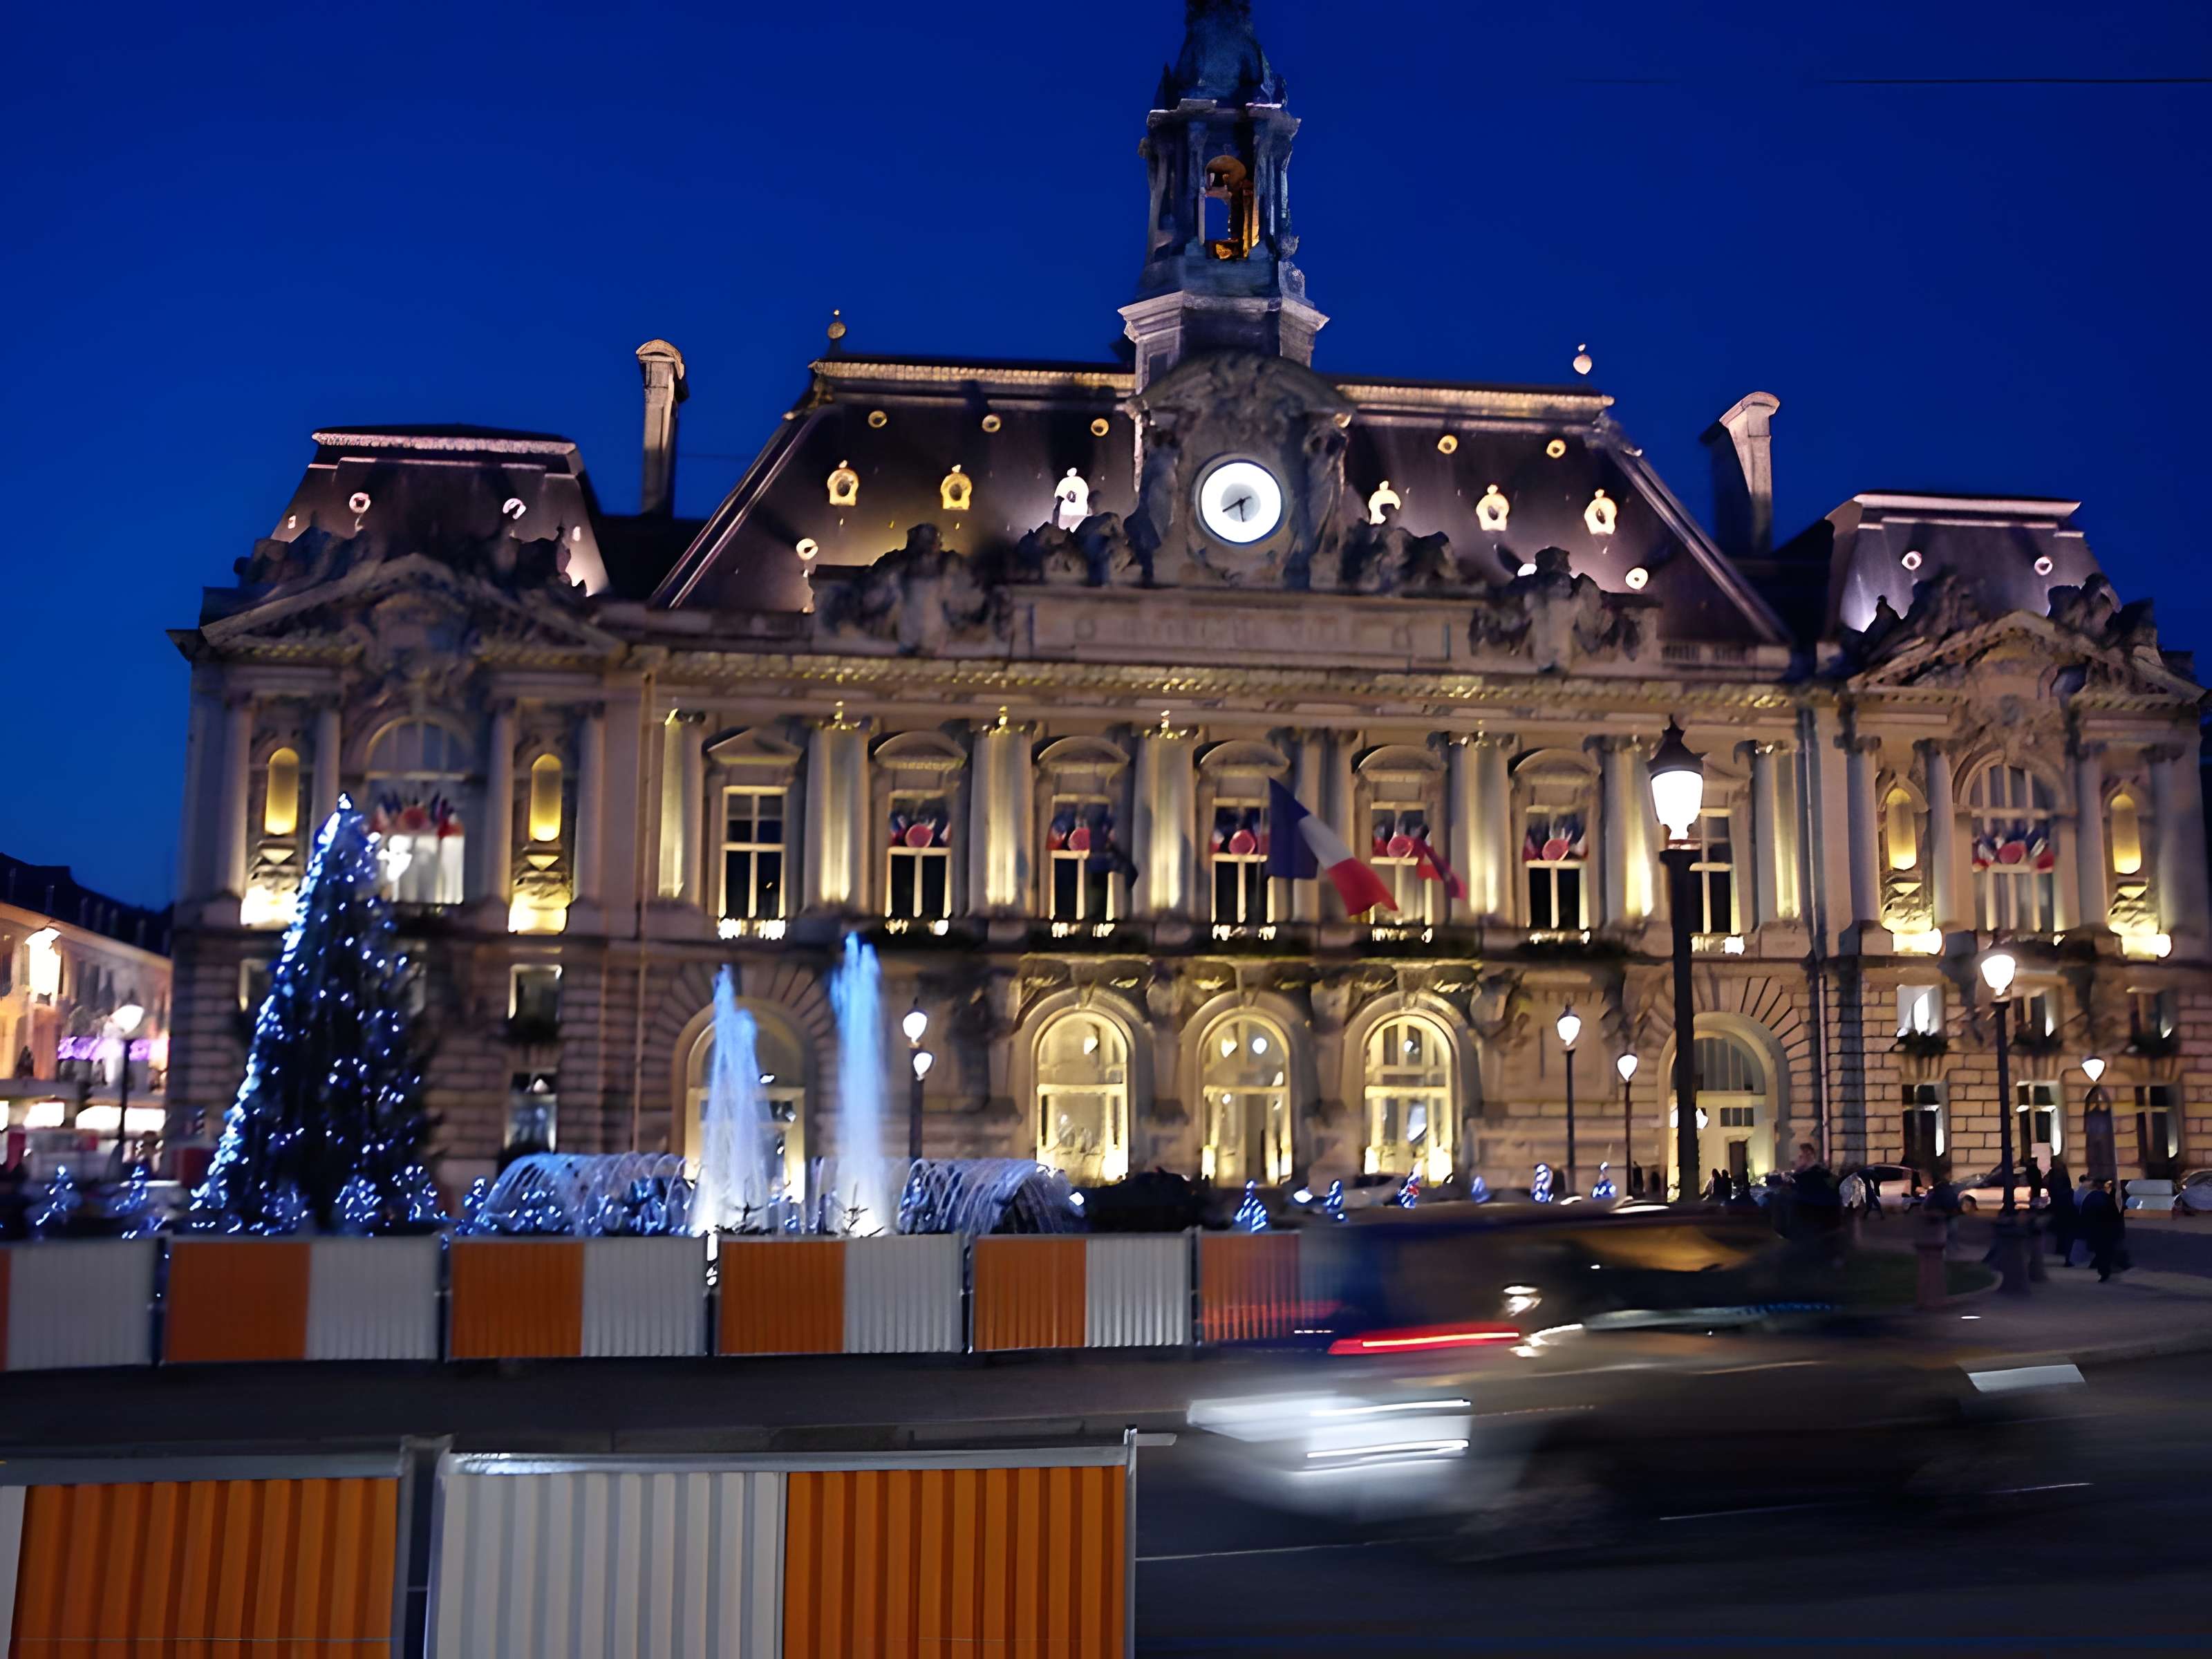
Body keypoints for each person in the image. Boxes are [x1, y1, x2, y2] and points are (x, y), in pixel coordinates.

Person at [2078, 1178, 2127, 1282]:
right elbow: (2114, 1213)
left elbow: (2084, 1214)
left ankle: (2104, 1271)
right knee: (2106, 1251)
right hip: (2106, 1229)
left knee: (2100, 1252)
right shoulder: (2105, 1198)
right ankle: (2106, 1270)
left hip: (2096, 1229)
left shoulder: (2090, 1198)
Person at [2045, 1161, 2078, 1265]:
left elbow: (2050, 1188)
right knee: (2068, 1235)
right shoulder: (2063, 1175)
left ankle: (2062, 1251)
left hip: (2059, 1206)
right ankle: (2067, 1257)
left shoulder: (2053, 1175)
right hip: (2066, 1207)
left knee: (2063, 1233)